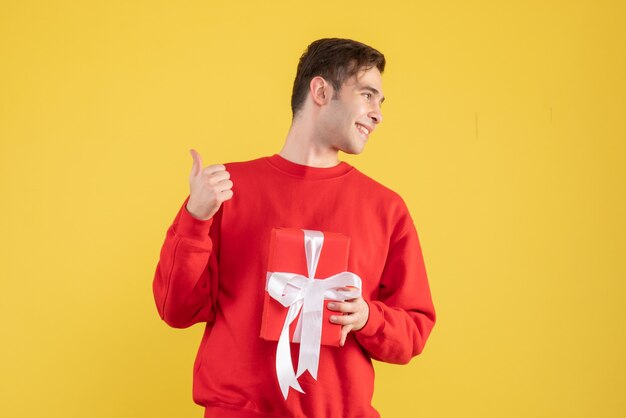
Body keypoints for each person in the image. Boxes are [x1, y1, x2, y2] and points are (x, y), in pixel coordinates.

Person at [153, 38, 436, 418]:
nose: (378, 114)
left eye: (380, 102)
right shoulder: (225, 191)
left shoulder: (386, 208)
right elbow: (176, 309)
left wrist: (367, 318)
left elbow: (414, 331)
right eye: (368, 95)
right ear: (321, 91)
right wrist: (195, 217)